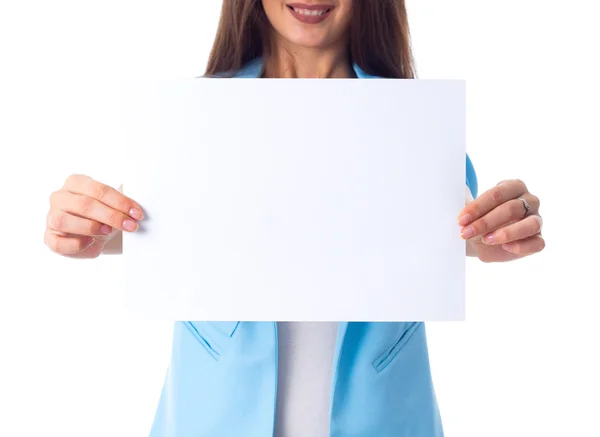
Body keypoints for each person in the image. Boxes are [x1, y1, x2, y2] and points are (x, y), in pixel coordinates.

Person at [44, 1, 545, 436]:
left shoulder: (420, 126)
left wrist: (497, 233)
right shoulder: (192, 119)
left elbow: (458, 241)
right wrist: (82, 225)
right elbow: (143, 228)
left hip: (386, 422)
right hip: (209, 422)